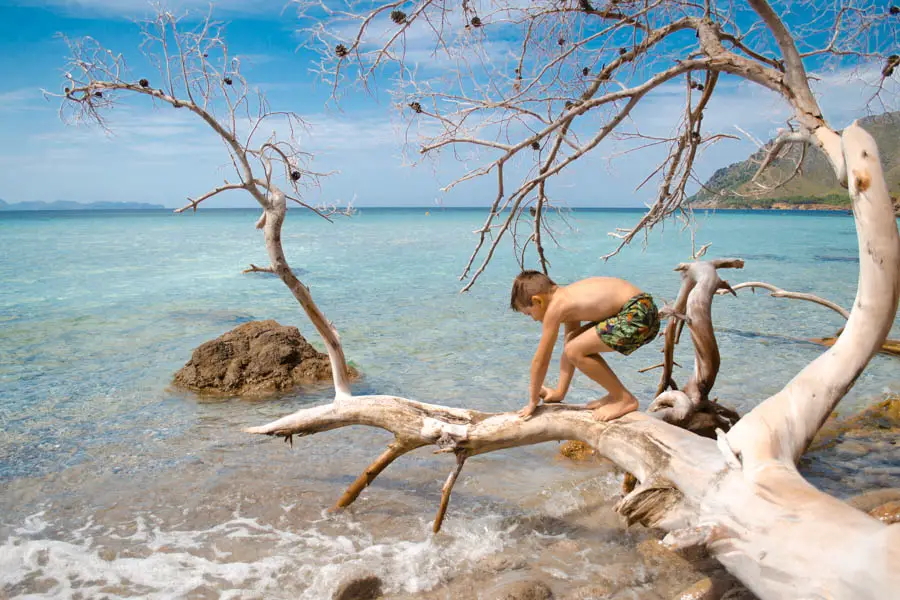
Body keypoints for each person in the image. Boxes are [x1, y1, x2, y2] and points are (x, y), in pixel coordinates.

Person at [509, 270, 660, 421]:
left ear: (537, 301)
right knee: (573, 342)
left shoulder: (556, 308)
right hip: (644, 309)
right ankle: (616, 395)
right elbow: (570, 345)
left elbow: (541, 360)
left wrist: (532, 400)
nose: (533, 319)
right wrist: (559, 393)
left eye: (529, 314)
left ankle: (624, 399)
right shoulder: (567, 297)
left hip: (637, 315)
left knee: (574, 349)